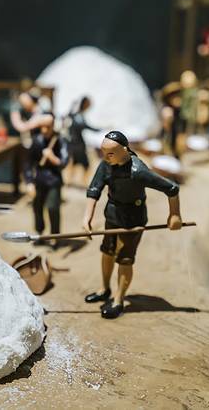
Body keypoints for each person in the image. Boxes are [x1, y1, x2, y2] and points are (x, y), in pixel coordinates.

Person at [82, 131, 182, 319]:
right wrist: (87, 217)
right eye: (104, 153)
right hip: (112, 215)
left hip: (132, 219)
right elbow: (94, 189)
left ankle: (118, 300)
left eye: (110, 153)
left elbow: (171, 188)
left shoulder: (138, 171)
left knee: (125, 258)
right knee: (107, 251)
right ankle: (104, 289)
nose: (106, 157)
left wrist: (174, 214)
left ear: (124, 150)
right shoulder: (106, 165)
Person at [24, 114, 69, 249]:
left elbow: (64, 162)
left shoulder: (61, 141)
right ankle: (39, 233)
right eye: (42, 126)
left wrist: (52, 158)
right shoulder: (36, 141)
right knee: (37, 207)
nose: (44, 130)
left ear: (53, 126)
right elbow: (28, 163)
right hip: (39, 180)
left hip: (54, 180)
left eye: (47, 127)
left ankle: (55, 236)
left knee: (53, 208)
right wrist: (29, 182)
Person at [65, 96, 99, 186]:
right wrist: (101, 129)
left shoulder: (75, 116)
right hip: (78, 145)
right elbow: (86, 127)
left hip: (74, 144)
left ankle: (72, 181)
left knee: (74, 163)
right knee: (84, 164)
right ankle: (80, 182)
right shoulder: (78, 117)